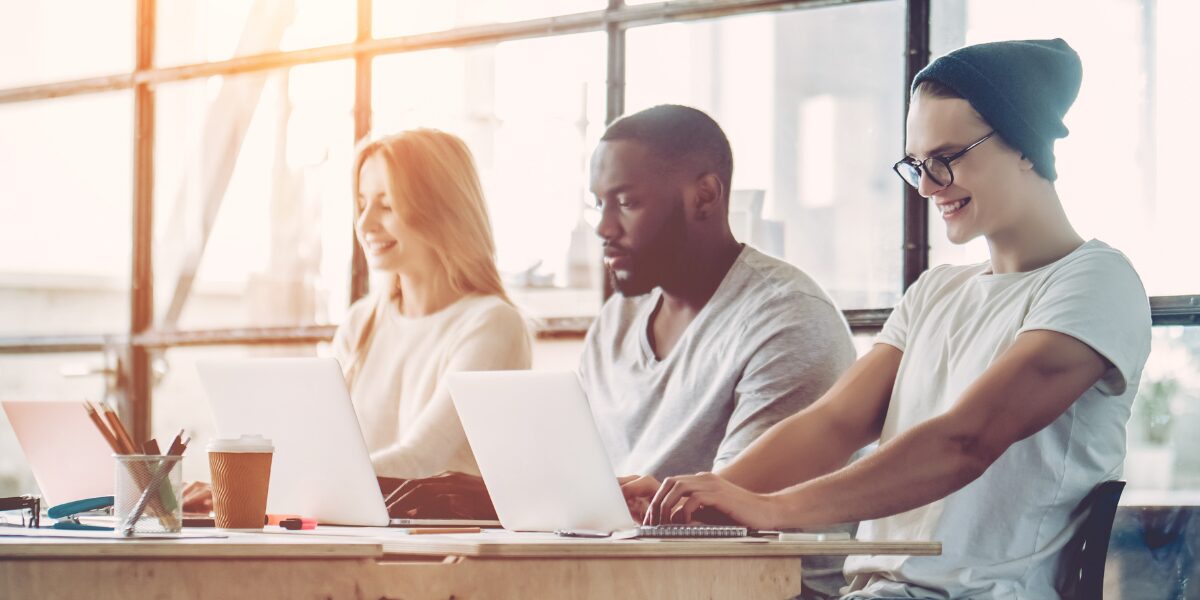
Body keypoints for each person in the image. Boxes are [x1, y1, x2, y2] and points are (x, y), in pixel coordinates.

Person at [634, 39, 1153, 599]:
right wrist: (681, 500)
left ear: (1025, 144)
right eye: (918, 164)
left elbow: (966, 440)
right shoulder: (937, 291)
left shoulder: (1096, 281)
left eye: (947, 158)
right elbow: (835, 422)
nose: (928, 185)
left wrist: (770, 509)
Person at [387, 105, 857, 598]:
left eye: (626, 203)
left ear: (706, 195)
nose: (603, 227)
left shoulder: (787, 318)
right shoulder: (617, 321)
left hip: (758, 586)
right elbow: (581, 490)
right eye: (598, 205)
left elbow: (724, 512)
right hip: (623, 574)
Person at [184, 129, 531, 511]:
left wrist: (258, 485)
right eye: (362, 203)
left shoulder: (492, 324)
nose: (365, 223)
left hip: (441, 547)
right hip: (358, 532)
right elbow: (325, 450)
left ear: (442, 208)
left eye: (387, 204)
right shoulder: (362, 322)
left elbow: (422, 462)